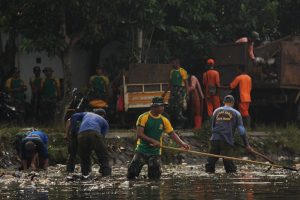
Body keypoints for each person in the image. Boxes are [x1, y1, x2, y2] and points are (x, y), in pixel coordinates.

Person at [127, 97, 190, 180]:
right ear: (153, 107)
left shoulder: (164, 120)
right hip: (141, 150)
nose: (162, 108)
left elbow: (172, 133)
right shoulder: (143, 117)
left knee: (155, 178)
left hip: (155, 152)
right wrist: (153, 141)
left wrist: (182, 143)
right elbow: (139, 134)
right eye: (160, 106)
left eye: (163, 106)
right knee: (132, 174)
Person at [205, 95, 253, 173]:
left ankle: (208, 177)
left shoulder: (216, 111)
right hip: (226, 141)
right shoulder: (236, 113)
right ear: (233, 103)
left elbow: (213, 128)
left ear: (223, 102)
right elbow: (241, 131)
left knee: (211, 162)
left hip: (214, 139)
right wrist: (247, 145)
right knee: (228, 163)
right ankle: (232, 180)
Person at [69, 109, 111, 176]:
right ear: (103, 116)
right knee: (103, 156)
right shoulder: (105, 122)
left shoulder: (87, 114)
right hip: (95, 133)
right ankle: (107, 175)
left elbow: (73, 116)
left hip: (81, 134)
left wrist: (74, 129)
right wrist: (93, 147)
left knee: (84, 157)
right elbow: (102, 137)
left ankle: (85, 175)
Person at [162, 58, 189, 128]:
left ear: (177, 63)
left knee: (178, 107)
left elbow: (186, 84)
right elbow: (170, 83)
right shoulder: (172, 72)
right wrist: (165, 92)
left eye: (173, 63)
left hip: (180, 91)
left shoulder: (182, 71)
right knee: (171, 107)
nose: (171, 64)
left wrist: (187, 94)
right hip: (173, 90)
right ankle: (174, 122)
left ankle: (182, 121)